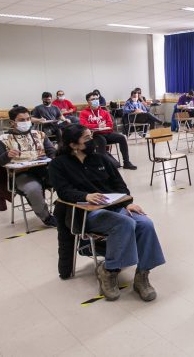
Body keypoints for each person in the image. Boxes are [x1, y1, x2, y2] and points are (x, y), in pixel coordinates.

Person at [49, 124, 165, 301]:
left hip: (115, 207)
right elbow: (63, 191)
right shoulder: (58, 165)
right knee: (124, 223)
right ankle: (109, 271)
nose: (92, 141)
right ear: (73, 145)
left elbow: (120, 186)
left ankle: (142, 275)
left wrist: (127, 203)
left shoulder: (101, 159)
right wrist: (85, 196)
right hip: (87, 213)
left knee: (145, 223)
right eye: (87, 139)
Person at [0, 106, 57, 227]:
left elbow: (51, 151)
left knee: (68, 177)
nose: (26, 122)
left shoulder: (40, 134)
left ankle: (63, 208)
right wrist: (6, 155)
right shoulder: (3, 139)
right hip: (20, 174)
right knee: (33, 189)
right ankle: (46, 217)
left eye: (28, 119)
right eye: (21, 120)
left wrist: (53, 158)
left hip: (44, 169)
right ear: (12, 122)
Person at [79, 92, 137, 170]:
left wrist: (104, 126)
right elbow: (84, 125)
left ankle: (126, 162)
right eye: (93, 99)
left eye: (97, 99)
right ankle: (104, 165)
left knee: (122, 138)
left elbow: (110, 124)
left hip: (107, 133)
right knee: (102, 141)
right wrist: (97, 126)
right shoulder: (84, 113)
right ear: (88, 101)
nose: (96, 100)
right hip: (94, 135)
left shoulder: (104, 112)